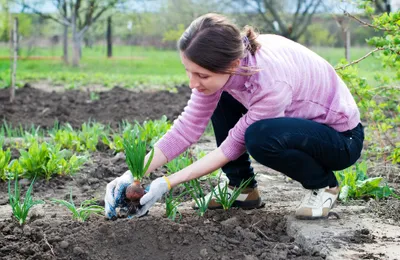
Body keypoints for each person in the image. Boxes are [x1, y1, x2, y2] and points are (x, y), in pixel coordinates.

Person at [104, 13, 364, 220]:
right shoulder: (229, 64)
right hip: (299, 126)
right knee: (222, 94)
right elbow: (186, 129)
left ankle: (323, 185)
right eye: (188, 71)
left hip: (340, 139)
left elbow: (231, 147)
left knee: (259, 137)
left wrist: (166, 182)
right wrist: (134, 173)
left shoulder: (270, 82)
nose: (193, 83)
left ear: (232, 65)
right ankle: (243, 188)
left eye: (202, 75)